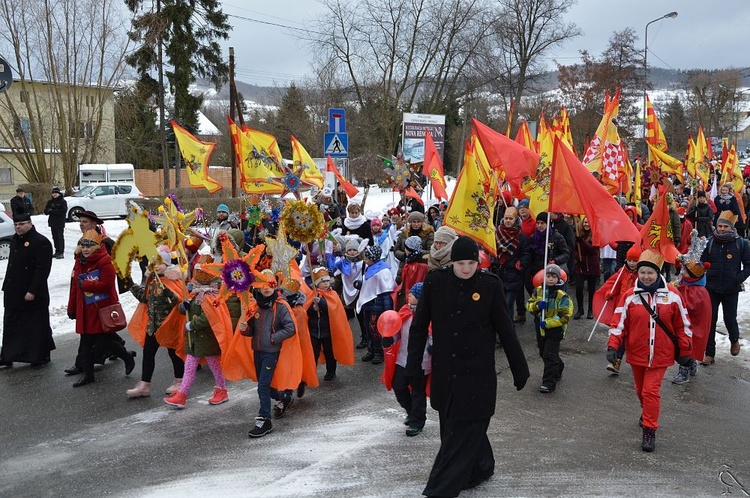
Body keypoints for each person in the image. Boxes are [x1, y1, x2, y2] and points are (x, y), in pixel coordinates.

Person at [406, 236, 529, 496]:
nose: (466, 268)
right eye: (461, 263)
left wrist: (520, 368)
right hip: (447, 372)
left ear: (478, 263)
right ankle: (480, 467)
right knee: (453, 428)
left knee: (464, 431)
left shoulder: (489, 286)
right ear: (452, 262)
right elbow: (418, 328)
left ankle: (440, 489)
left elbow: (506, 330)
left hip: (478, 373)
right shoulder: (436, 282)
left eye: (471, 263)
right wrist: (413, 366)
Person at [606, 250, 693, 452]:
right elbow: (618, 323)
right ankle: (647, 413)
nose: (646, 276)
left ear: (658, 273)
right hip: (637, 352)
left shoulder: (672, 295)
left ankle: (649, 430)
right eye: (642, 272)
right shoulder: (629, 296)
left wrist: (686, 348)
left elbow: (684, 325)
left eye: (650, 273)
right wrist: (613, 345)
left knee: (650, 391)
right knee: (640, 390)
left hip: (661, 354)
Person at [66, 229, 135, 387]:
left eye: (89, 246)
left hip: (101, 309)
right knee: (85, 343)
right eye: (83, 246)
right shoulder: (79, 261)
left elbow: (107, 285)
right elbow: (75, 288)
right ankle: (88, 375)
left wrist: (88, 284)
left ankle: (127, 357)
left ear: (97, 247)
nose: (85, 249)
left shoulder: (105, 261)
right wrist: (72, 308)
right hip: (84, 309)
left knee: (104, 341)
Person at [165, 256, 231, 408]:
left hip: (206, 339)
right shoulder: (195, 293)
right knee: (189, 366)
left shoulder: (211, 295)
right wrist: (184, 306)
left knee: (214, 365)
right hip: (195, 340)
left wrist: (191, 325)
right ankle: (182, 394)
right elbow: (183, 310)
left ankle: (221, 390)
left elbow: (208, 317)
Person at [126, 249, 186, 398]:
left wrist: (169, 294)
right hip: (153, 325)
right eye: (153, 262)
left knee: (174, 353)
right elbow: (145, 298)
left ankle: (180, 381)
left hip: (169, 324)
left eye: (160, 262)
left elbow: (180, 301)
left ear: (167, 264)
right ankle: (144, 385)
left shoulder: (173, 279)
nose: (156, 265)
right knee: (148, 353)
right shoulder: (152, 280)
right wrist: (131, 285)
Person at [0, 210, 55, 368]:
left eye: (22, 224)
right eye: (16, 224)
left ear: (30, 223)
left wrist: (33, 291)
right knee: (12, 324)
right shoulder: (15, 240)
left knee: (35, 326)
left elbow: (42, 270)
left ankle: (38, 355)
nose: (18, 227)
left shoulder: (41, 242)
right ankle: (8, 355)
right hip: (13, 291)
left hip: (32, 292)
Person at [245, 272, 297, 438]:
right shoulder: (255, 306)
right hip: (258, 350)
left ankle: (264, 419)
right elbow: (252, 329)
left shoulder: (280, 306)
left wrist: (273, 338)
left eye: (269, 284)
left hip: (271, 352)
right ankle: (283, 397)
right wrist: (245, 329)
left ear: (274, 285)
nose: (266, 288)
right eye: (262, 285)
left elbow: (290, 328)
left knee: (262, 386)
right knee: (265, 385)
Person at [700, 211, 750, 362]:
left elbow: (748, 265)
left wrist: (738, 278)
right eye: (719, 226)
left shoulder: (741, 243)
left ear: (731, 227)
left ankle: (734, 340)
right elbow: (701, 263)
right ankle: (710, 353)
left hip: (730, 289)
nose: (721, 229)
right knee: (710, 319)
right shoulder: (709, 242)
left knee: (730, 319)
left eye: (725, 226)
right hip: (711, 288)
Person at [382, 282, 430, 437]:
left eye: (413, 294)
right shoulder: (404, 311)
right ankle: (411, 411)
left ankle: (417, 421)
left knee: (418, 391)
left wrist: (432, 347)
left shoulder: (429, 316)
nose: (409, 295)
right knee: (399, 385)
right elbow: (397, 330)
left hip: (421, 361)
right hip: (403, 358)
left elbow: (433, 335)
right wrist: (390, 338)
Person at [592, 245, 641, 374]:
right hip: (622, 308)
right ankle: (617, 361)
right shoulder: (622, 271)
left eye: (635, 260)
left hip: (636, 310)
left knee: (635, 337)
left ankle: (639, 361)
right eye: (630, 260)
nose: (631, 263)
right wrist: (610, 293)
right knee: (621, 334)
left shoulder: (643, 273)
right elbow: (616, 285)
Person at [526, 264, 573, 393]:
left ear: (558, 278)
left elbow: (564, 315)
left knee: (549, 355)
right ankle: (559, 366)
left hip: (555, 329)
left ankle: (548, 382)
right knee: (543, 352)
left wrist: (548, 323)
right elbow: (529, 305)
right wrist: (536, 306)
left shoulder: (562, 296)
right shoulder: (538, 291)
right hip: (540, 328)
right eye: (548, 276)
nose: (550, 279)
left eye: (553, 276)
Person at [306, 267, 355, 381]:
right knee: (313, 353)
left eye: (327, 281)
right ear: (317, 283)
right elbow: (306, 312)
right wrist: (313, 308)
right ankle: (311, 373)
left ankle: (331, 371)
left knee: (329, 352)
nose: (325, 283)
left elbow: (334, 310)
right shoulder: (312, 295)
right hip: (314, 331)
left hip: (328, 331)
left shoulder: (332, 294)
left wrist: (322, 303)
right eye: (322, 281)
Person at [356, 245, 395, 365]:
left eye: (366, 259)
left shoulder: (383, 271)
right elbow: (370, 284)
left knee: (374, 329)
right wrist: (360, 284)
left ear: (373, 258)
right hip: (368, 304)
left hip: (377, 305)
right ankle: (371, 349)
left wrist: (387, 311)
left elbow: (385, 291)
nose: (364, 261)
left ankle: (379, 352)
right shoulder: (370, 267)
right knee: (368, 327)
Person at [492, 207, 530, 319]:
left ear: (515, 220)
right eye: (506, 218)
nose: (508, 221)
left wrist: (521, 264)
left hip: (514, 274)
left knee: (508, 303)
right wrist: (494, 261)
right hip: (500, 273)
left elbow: (526, 253)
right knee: (501, 303)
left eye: (511, 218)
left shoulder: (521, 236)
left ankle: (509, 328)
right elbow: (492, 250)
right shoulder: (496, 234)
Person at [573, 216, 600, 319]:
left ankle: (590, 310)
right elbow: (575, 248)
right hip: (580, 266)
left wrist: (582, 242)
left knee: (591, 290)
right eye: (585, 222)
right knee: (579, 288)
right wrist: (576, 256)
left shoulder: (595, 235)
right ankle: (580, 309)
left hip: (592, 267)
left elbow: (593, 250)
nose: (586, 224)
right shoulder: (578, 234)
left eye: (588, 222)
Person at [44, 187, 67, 258]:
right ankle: (57, 251)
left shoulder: (62, 201)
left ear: (59, 194)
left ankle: (61, 252)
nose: (54, 194)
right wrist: (49, 210)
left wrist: (53, 210)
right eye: (53, 193)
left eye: (56, 193)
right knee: (55, 237)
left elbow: (63, 211)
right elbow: (46, 211)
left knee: (60, 237)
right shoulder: (50, 202)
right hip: (52, 222)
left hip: (59, 222)